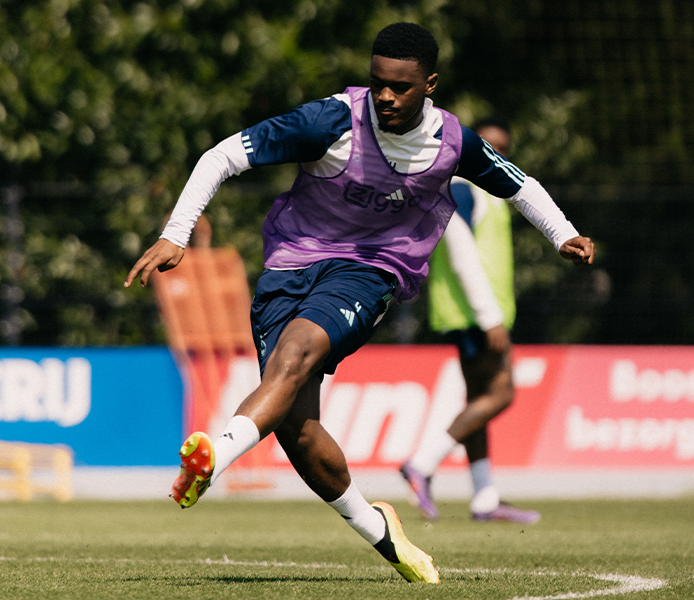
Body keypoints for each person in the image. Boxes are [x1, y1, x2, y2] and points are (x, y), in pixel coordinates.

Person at [125, 22, 595, 584]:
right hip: (290, 267)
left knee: (295, 356)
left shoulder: (453, 143)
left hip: (371, 271)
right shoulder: (329, 121)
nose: (386, 97)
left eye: (400, 86)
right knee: (297, 431)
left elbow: (519, 184)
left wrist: (562, 232)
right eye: (377, 84)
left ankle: (214, 457)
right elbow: (221, 156)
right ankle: (380, 531)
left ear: (430, 85)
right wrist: (177, 233)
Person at [399, 117, 541, 524]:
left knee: (478, 401)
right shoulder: (464, 187)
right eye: (488, 148)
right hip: (476, 314)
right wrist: (489, 316)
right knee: (501, 393)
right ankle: (421, 465)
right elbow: (460, 249)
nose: (496, 157)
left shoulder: (490, 192)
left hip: (473, 312)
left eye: (503, 150)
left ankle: (484, 498)